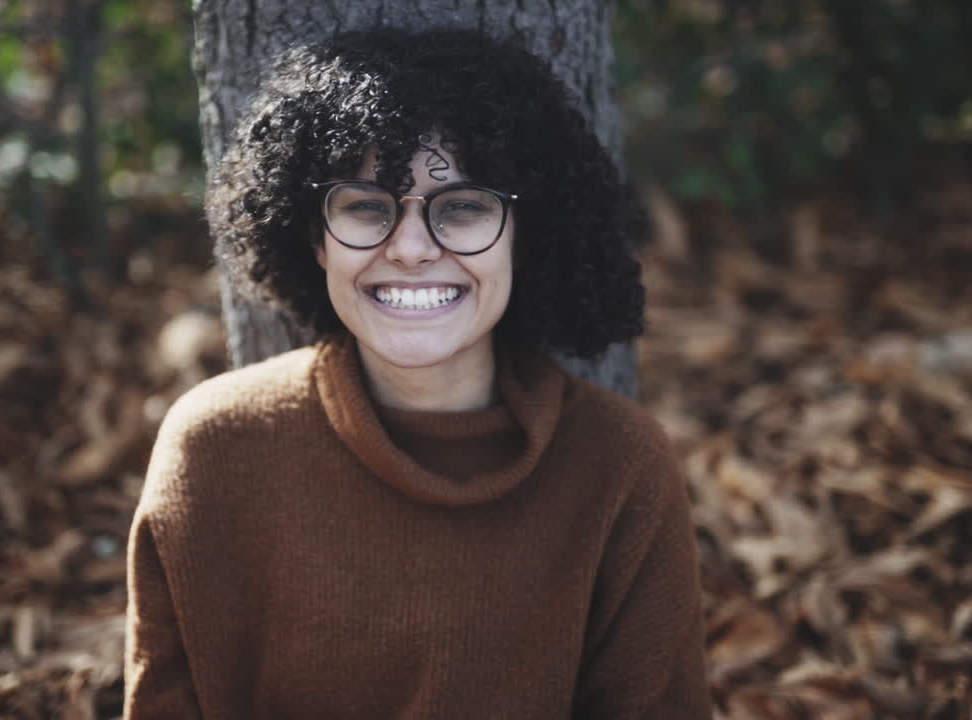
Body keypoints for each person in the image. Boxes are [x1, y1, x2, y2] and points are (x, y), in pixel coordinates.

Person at [124, 27, 712, 719]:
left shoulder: (620, 467)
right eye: (367, 207)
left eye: (462, 208)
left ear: (526, 238)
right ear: (316, 238)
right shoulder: (213, 451)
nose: (409, 248)